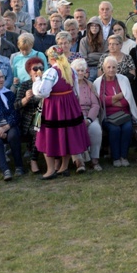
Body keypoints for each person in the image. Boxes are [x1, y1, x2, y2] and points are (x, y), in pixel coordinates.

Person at [33, 46, 90, 178]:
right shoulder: (70, 70)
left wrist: (37, 80)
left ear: (51, 58)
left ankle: (51, 169)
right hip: (69, 105)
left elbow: (42, 92)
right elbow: (76, 90)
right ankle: (63, 167)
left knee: (48, 135)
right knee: (67, 133)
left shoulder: (51, 72)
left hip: (54, 106)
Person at [94, 55, 137, 168]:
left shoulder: (123, 79)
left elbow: (127, 98)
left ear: (117, 68)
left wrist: (110, 100)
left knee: (127, 128)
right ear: (104, 68)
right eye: (108, 67)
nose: (111, 70)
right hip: (108, 115)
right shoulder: (98, 82)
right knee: (114, 129)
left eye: (114, 67)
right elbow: (101, 100)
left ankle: (123, 157)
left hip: (124, 114)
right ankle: (115, 157)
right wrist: (118, 97)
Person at [14, 57, 44, 173]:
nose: (38, 71)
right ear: (29, 71)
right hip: (30, 120)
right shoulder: (25, 85)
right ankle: (33, 160)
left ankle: (57, 161)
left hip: (46, 117)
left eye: (40, 68)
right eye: (35, 68)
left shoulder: (47, 83)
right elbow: (16, 105)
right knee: (38, 130)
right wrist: (26, 99)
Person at [71, 58, 103, 171]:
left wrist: (89, 119)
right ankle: (79, 162)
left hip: (89, 115)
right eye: (77, 70)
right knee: (73, 130)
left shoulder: (89, 84)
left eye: (82, 70)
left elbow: (95, 105)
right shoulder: (69, 85)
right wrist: (80, 119)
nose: (80, 73)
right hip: (74, 117)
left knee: (96, 130)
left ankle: (95, 160)